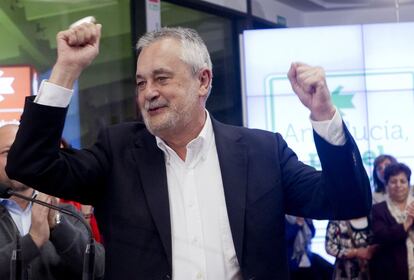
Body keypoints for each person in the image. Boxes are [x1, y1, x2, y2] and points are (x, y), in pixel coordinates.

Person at [5, 23, 371, 279]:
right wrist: (66, 69)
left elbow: (347, 202)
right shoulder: (117, 153)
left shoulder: (262, 152)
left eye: (162, 78)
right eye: (141, 82)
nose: (148, 91)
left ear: (203, 80)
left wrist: (324, 116)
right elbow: (30, 164)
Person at [0, 124, 105, 280]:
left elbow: (99, 268)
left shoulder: (66, 213)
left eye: (24, 152)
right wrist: (33, 241)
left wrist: (58, 226)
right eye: (8, 152)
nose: (18, 160)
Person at [370, 163, 414, 280]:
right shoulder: (378, 209)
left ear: (409, 185)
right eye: (393, 182)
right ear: (386, 185)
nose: (398, 185)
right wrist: (406, 224)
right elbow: (381, 236)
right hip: (390, 270)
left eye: (402, 181)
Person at [285, 215, 333, 280]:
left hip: (307, 254)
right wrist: (297, 225)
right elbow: (285, 238)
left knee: (328, 269)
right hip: (292, 258)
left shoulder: (305, 217)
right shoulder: (285, 218)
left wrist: (308, 221)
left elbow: (312, 233)